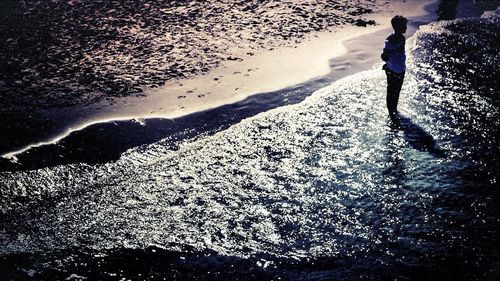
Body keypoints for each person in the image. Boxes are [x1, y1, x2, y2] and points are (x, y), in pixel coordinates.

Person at [381, 15, 408, 119]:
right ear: (399, 27)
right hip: (393, 69)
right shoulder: (390, 40)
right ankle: (391, 112)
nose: (406, 28)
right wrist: (388, 54)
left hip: (399, 69)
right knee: (392, 91)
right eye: (404, 26)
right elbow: (384, 55)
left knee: (395, 91)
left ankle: (393, 110)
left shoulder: (402, 38)